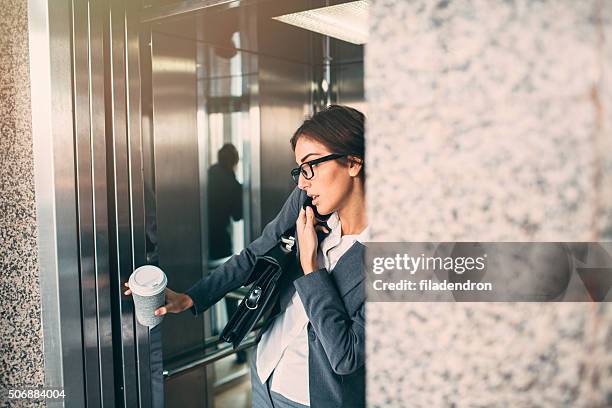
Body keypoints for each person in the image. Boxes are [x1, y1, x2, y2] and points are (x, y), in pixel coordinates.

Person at [124, 105, 367, 407]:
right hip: (266, 374)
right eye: (299, 170)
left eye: (310, 166)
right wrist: (192, 297)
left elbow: (347, 357)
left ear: (353, 162)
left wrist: (311, 268)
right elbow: (256, 253)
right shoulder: (307, 203)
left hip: (314, 398)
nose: (302, 182)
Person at [207, 143, 247, 363]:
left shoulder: (205, 176)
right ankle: (237, 347)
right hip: (220, 241)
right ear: (234, 161)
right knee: (228, 291)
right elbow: (239, 215)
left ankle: (211, 335)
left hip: (199, 242)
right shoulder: (233, 183)